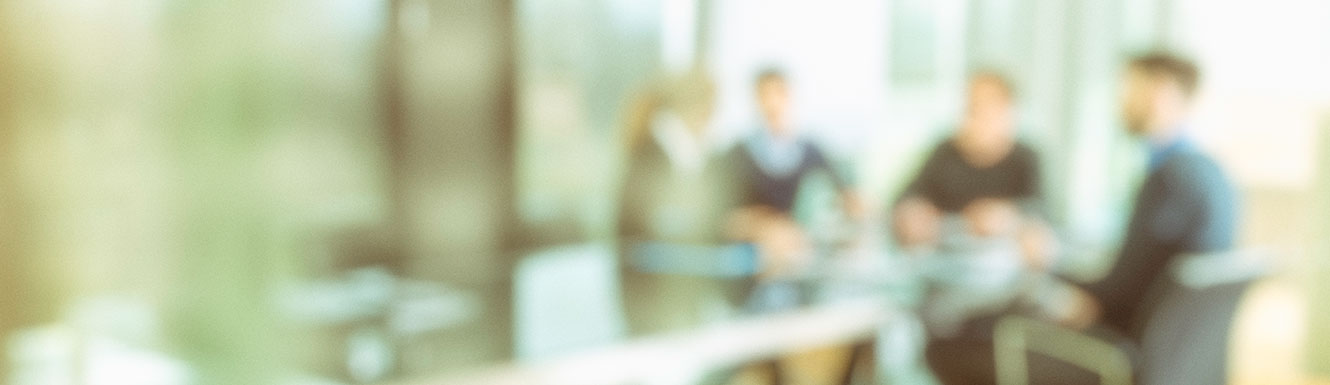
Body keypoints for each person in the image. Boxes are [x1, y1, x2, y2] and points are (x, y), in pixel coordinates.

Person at [926, 53, 1239, 385]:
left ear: (1159, 92)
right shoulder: (1210, 172)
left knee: (950, 343)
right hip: (1167, 353)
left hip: (1119, 351)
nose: (1121, 100)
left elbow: (1119, 291)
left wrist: (1050, 266)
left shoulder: (1170, 178)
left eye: (1128, 88)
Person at [727, 68, 864, 225]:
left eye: (779, 93)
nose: (773, 102)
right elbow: (726, 218)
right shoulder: (737, 155)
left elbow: (844, 194)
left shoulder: (812, 152)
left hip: (804, 244)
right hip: (751, 246)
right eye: (764, 95)